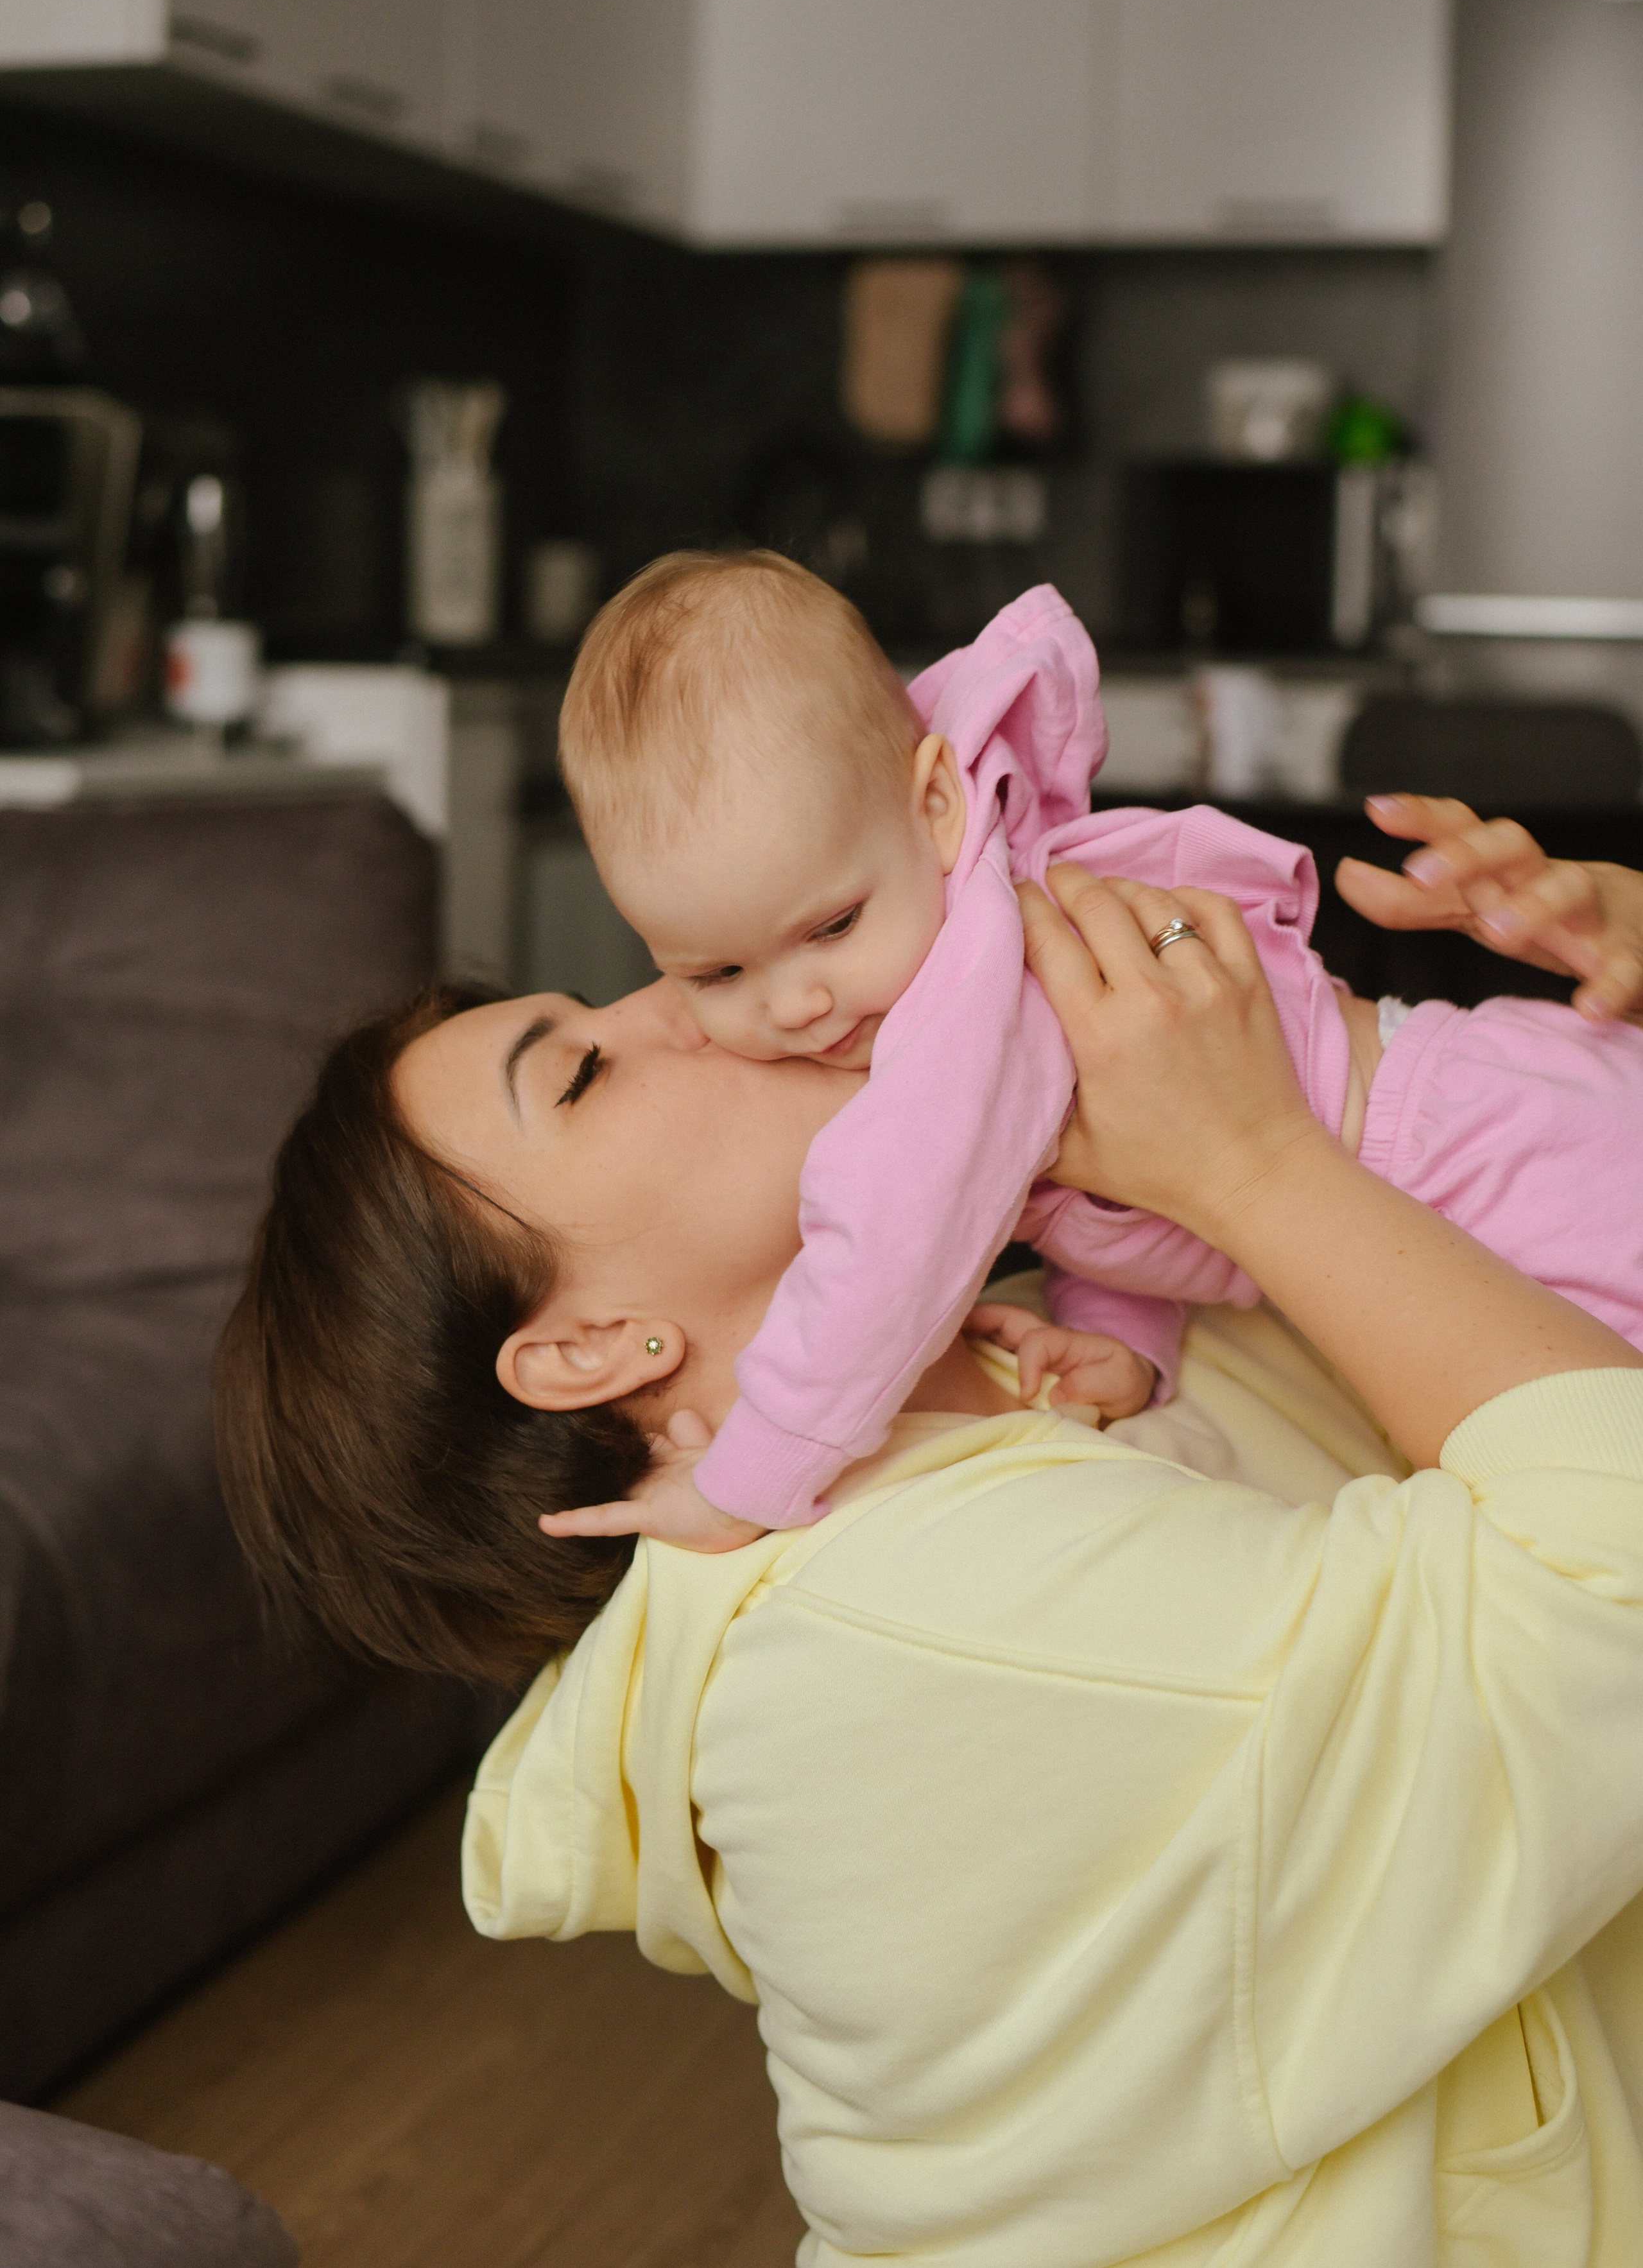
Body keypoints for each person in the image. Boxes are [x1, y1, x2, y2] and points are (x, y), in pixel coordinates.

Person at [216, 858, 1643, 2265]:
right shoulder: (907, 1628)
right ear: (591, 1349)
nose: (678, 998)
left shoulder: (1072, 1348)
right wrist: (1247, 1159)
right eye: (583, 1073)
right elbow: (1608, 1553)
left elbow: (1548, 1349)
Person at [547, 550, 1643, 1547]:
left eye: (829, 928)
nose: (797, 1004)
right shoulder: (922, 945)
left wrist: (752, 1475)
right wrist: (1124, 1331)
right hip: (1440, 1163)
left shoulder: (968, 985)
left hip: (1478, 1153)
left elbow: (894, 1235)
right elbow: (1124, 1180)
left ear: (934, 803)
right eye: (719, 975)